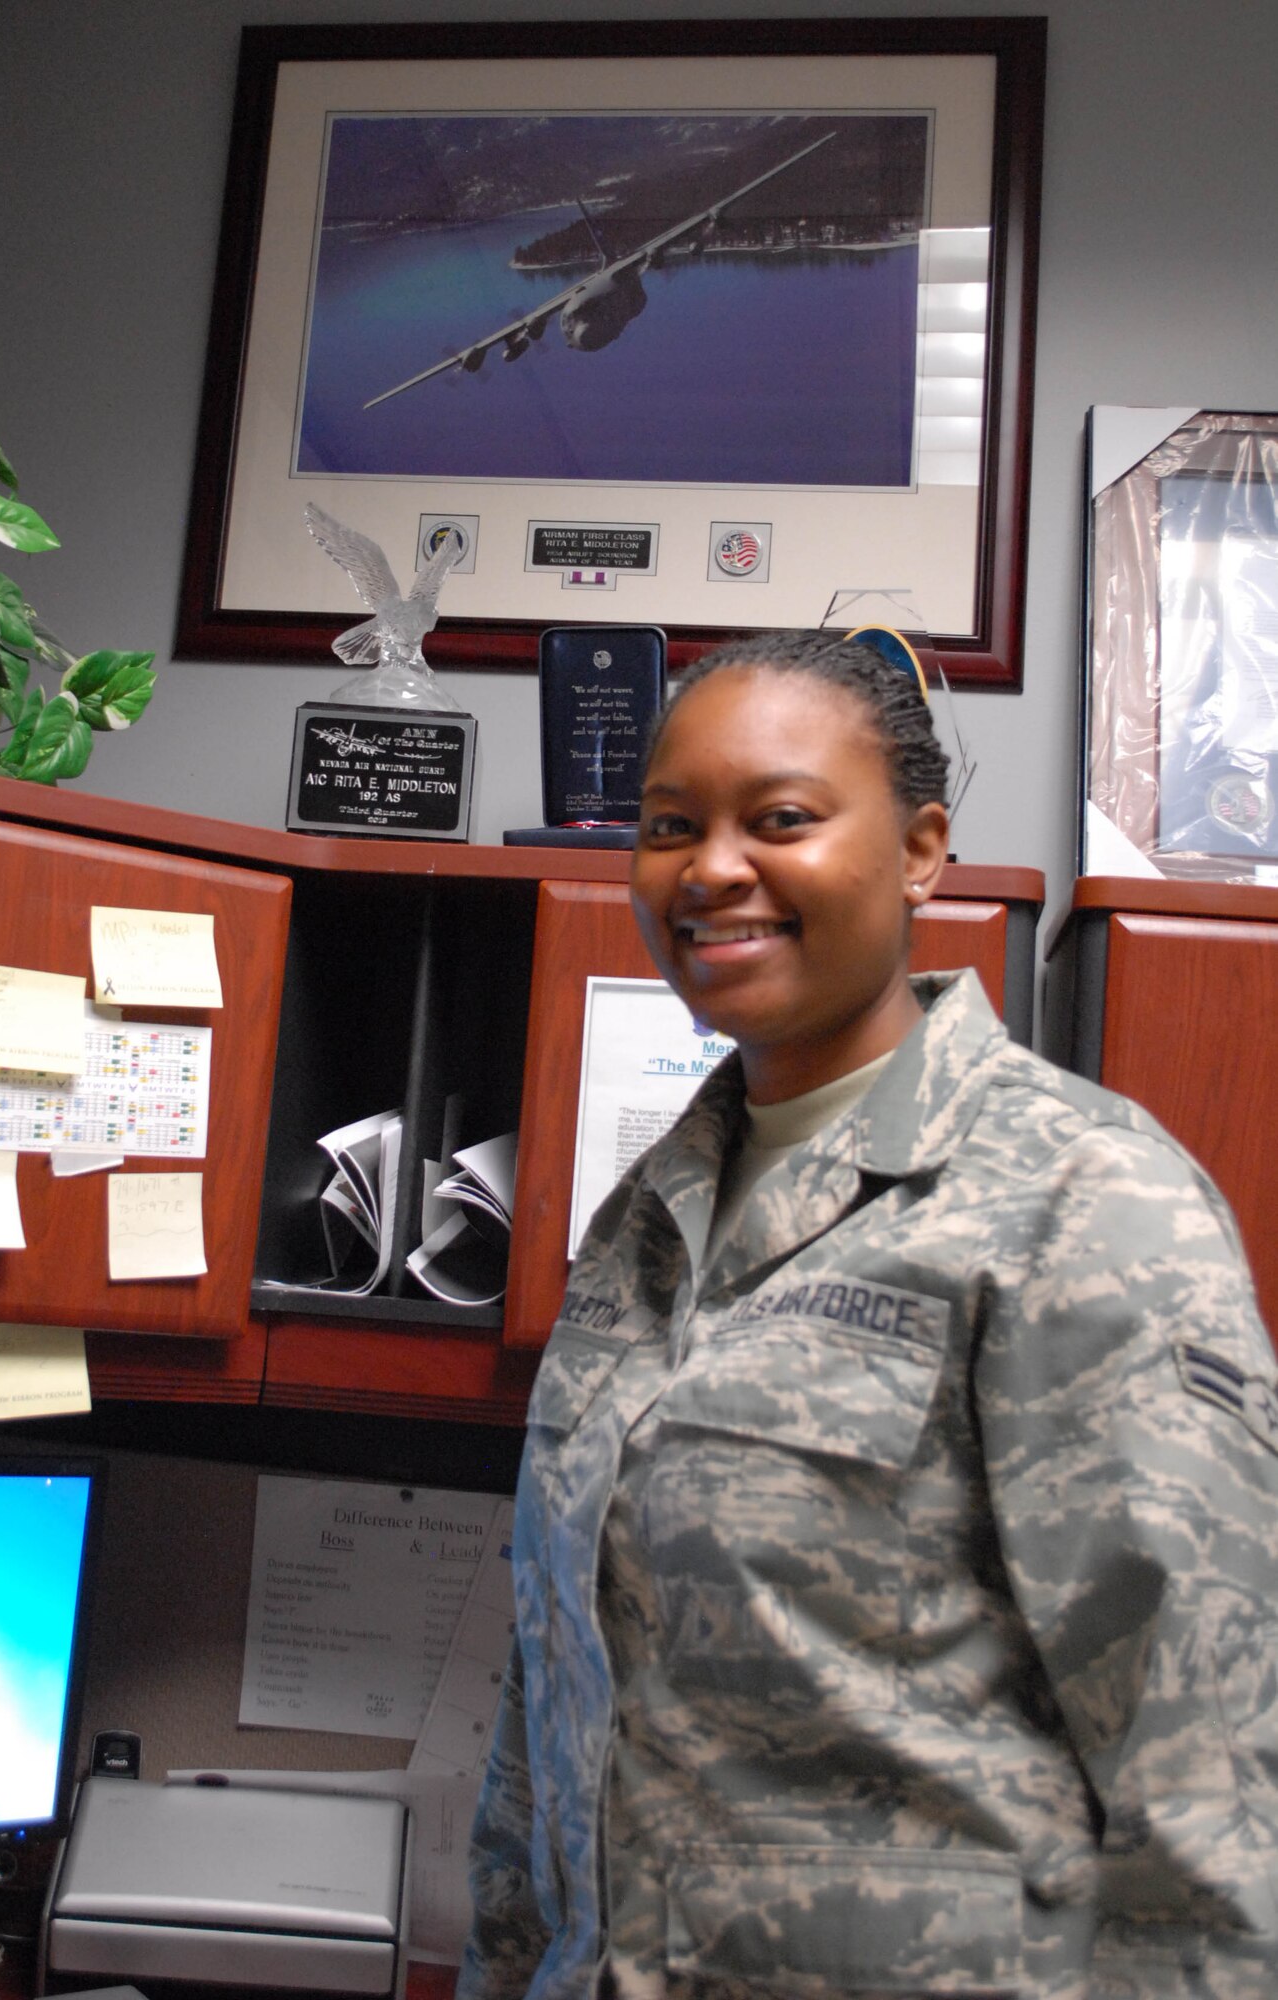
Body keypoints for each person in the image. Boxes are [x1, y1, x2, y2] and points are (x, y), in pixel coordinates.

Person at [458, 631, 1278, 2000]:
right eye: (670, 828)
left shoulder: (1079, 1199)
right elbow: (544, 1711)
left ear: (920, 849)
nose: (711, 869)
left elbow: (1213, 1783)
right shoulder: (638, 1230)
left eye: (780, 819)